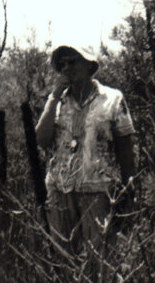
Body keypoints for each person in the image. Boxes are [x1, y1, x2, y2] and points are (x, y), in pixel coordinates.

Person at [35, 45, 137, 255]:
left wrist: (129, 190)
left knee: (98, 259)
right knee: (62, 256)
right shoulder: (57, 102)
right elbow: (41, 140)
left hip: (98, 190)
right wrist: (53, 98)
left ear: (89, 65)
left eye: (73, 62)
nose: (67, 68)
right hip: (60, 189)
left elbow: (125, 149)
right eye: (62, 64)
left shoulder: (112, 99)